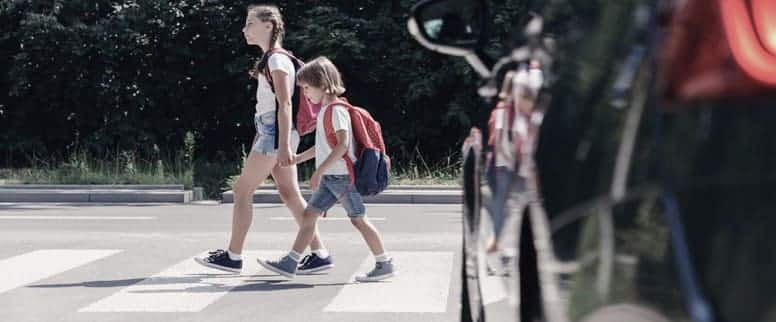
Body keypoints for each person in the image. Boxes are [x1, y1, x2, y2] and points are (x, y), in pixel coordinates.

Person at [195, 5, 332, 274]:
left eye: (250, 23)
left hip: (275, 134)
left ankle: (233, 256)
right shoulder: (274, 59)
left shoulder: (276, 60)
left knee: (241, 191)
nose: (244, 29)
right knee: (289, 193)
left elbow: (285, 104)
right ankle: (320, 253)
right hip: (274, 132)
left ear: (268, 26)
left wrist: (281, 145)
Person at [257, 57, 396, 282]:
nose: (305, 94)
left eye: (307, 88)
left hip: (341, 177)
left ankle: (384, 262)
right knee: (309, 215)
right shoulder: (326, 110)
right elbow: (324, 146)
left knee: (358, 219)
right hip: (333, 177)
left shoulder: (336, 110)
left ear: (322, 84)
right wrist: (300, 158)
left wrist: (319, 171)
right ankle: (291, 262)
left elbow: (342, 145)